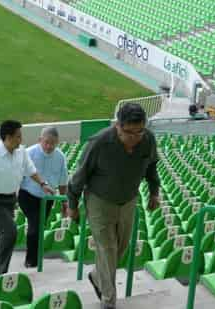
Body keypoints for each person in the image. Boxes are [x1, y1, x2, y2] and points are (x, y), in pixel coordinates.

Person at [67, 103, 160, 309]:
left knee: (121, 248)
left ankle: (97, 276)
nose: (134, 138)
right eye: (129, 132)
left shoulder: (148, 140)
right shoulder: (99, 143)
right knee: (108, 249)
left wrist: (154, 192)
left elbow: (152, 166)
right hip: (99, 201)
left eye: (139, 132)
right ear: (118, 126)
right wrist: (72, 204)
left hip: (128, 200)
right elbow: (80, 175)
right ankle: (109, 301)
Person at [0, 120, 53, 275]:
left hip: (10, 200)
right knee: (10, 231)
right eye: (18, 137)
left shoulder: (21, 152)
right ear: (7, 137)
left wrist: (43, 184)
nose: (21, 140)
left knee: (1, 234)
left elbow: (30, 170)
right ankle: (0, 272)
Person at [18, 127, 69, 268]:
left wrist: (64, 203)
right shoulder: (29, 153)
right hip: (27, 194)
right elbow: (18, 175)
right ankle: (31, 260)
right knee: (35, 224)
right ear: (40, 140)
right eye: (46, 142)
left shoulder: (60, 157)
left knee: (39, 227)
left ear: (57, 142)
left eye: (52, 143)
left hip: (47, 198)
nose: (49, 146)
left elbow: (63, 182)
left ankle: (35, 257)